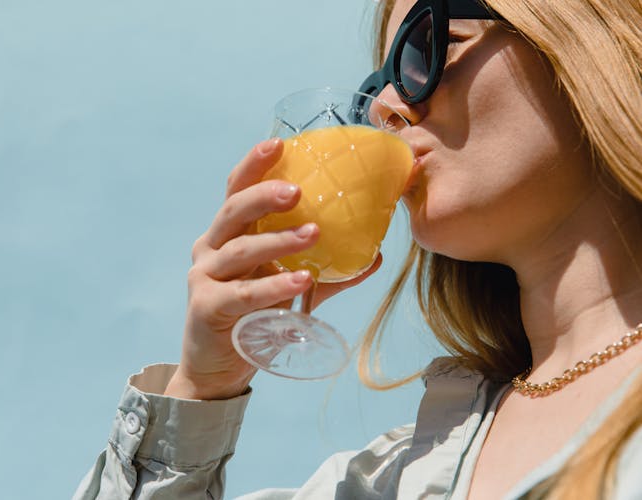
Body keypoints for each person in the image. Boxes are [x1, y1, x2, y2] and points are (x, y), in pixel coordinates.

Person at [73, 0, 642, 497]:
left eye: (424, 47)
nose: (382, 109)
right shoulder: (398, 475)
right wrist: (200, 390)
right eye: (374, 88)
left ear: (587, 39)